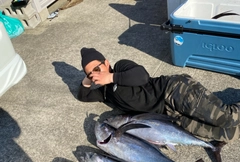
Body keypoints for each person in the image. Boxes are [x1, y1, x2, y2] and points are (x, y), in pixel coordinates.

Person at [77, 47, 240, 142]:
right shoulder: (104, 92)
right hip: (169, 116)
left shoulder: (121, 67)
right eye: (90, 73)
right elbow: (83, 96)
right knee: (227, 134)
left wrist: (111, 76)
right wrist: (88, 79)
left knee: (227, 117)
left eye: (97, 69)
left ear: (106, 63)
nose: (95, 74)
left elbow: (142, 76)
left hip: (173, 91)